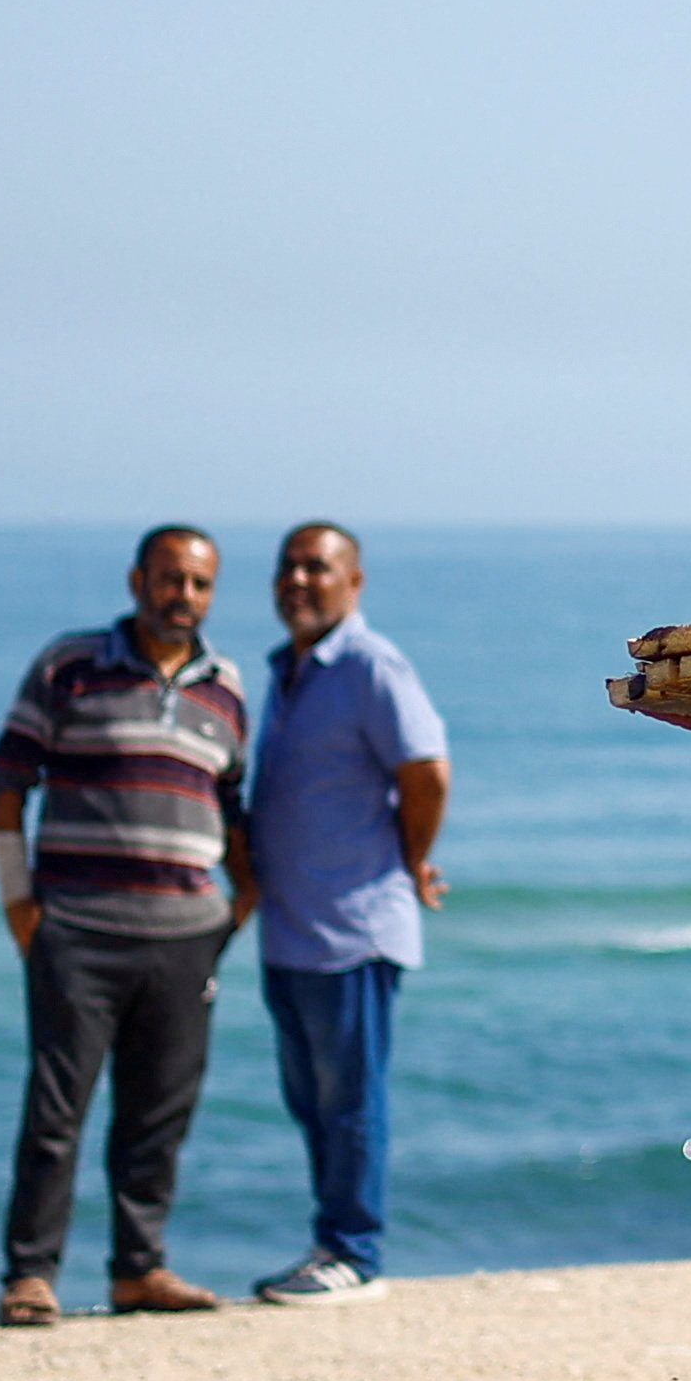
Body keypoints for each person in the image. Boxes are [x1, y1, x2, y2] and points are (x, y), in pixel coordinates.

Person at [0, 528, 251, 1325]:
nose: (185, 595)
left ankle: (140, 1269)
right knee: (56, 1112)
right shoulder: (69, 664)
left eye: (200, 583)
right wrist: (17, 902)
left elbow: (232, 806)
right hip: (78, 933)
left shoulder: (226, 687)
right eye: (171, 578)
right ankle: (30, 1275)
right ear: (138, 579)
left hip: (185, 934)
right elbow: (6, 779)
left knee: (159, 1113)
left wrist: (239, 906)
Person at [242, 523, 450, 1306]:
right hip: (292, 931)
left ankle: (354, 1254)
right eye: (287, 566)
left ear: (353, 581)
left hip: (353, 930)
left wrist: (411, 852)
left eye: (316, 567)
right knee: (312, 1100)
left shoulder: (370, 663)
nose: (298, 579)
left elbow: (426, 769)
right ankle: (329, 1242)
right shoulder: (287, 669)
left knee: (350, 1099)